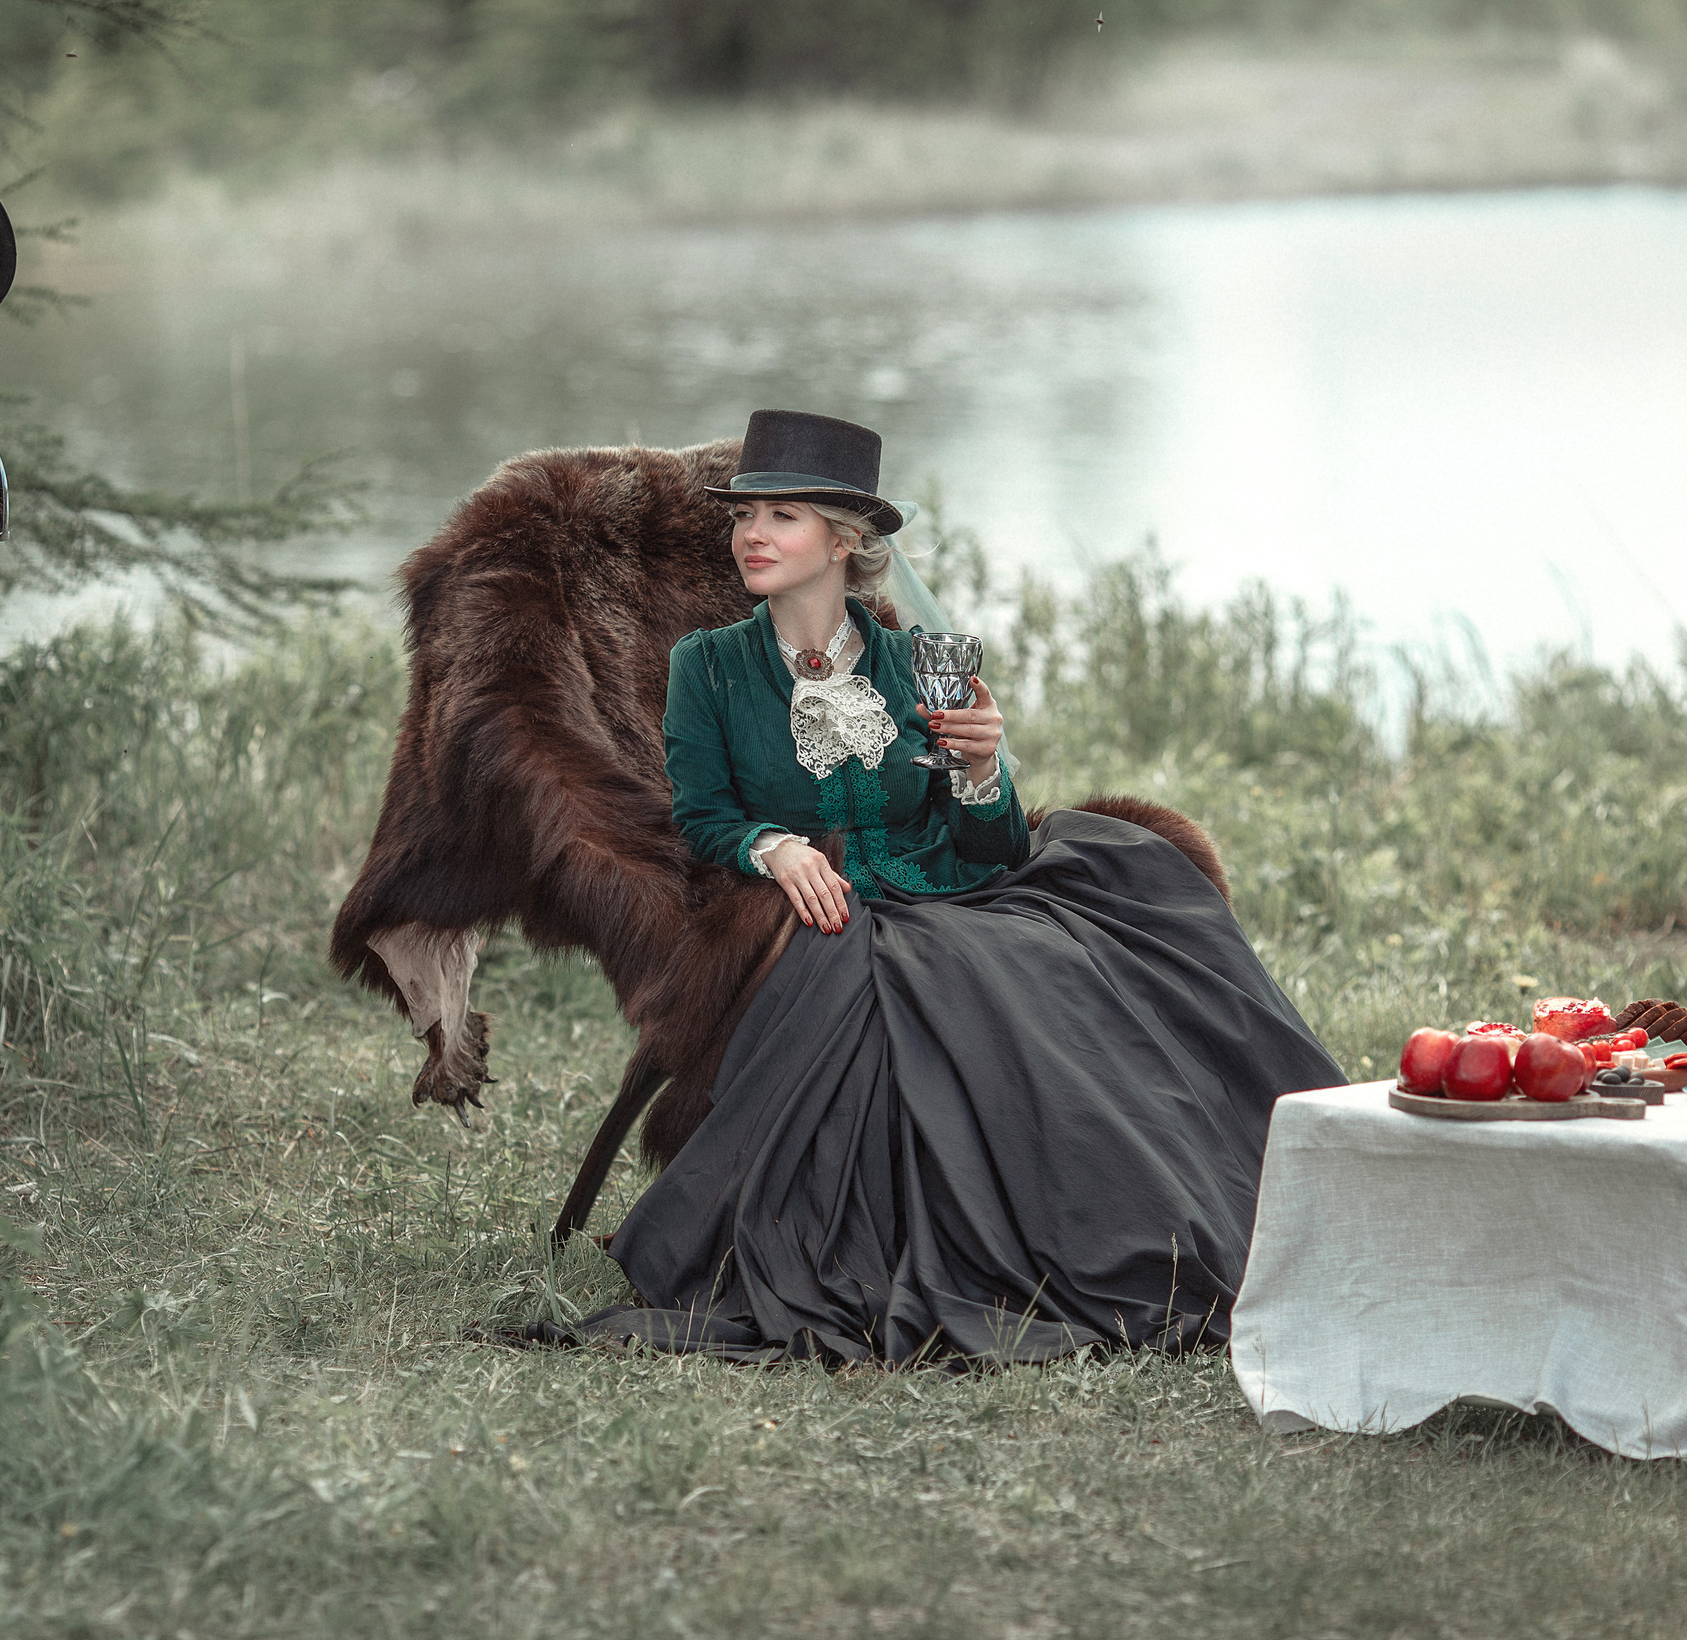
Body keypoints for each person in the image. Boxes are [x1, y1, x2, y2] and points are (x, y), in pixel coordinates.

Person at [576, 409, 1344, 1365]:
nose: (751, 535)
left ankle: (1158, 1219)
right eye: (746, 516)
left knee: (1075, 930)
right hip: (821, 902)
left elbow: (985, 853)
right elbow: (700, 815)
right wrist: (772, 845)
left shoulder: (922, 665)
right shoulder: (712, 667)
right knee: (912, 970)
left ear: (845, 540)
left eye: (782, 515)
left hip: (946, 894)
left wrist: (984, 774)